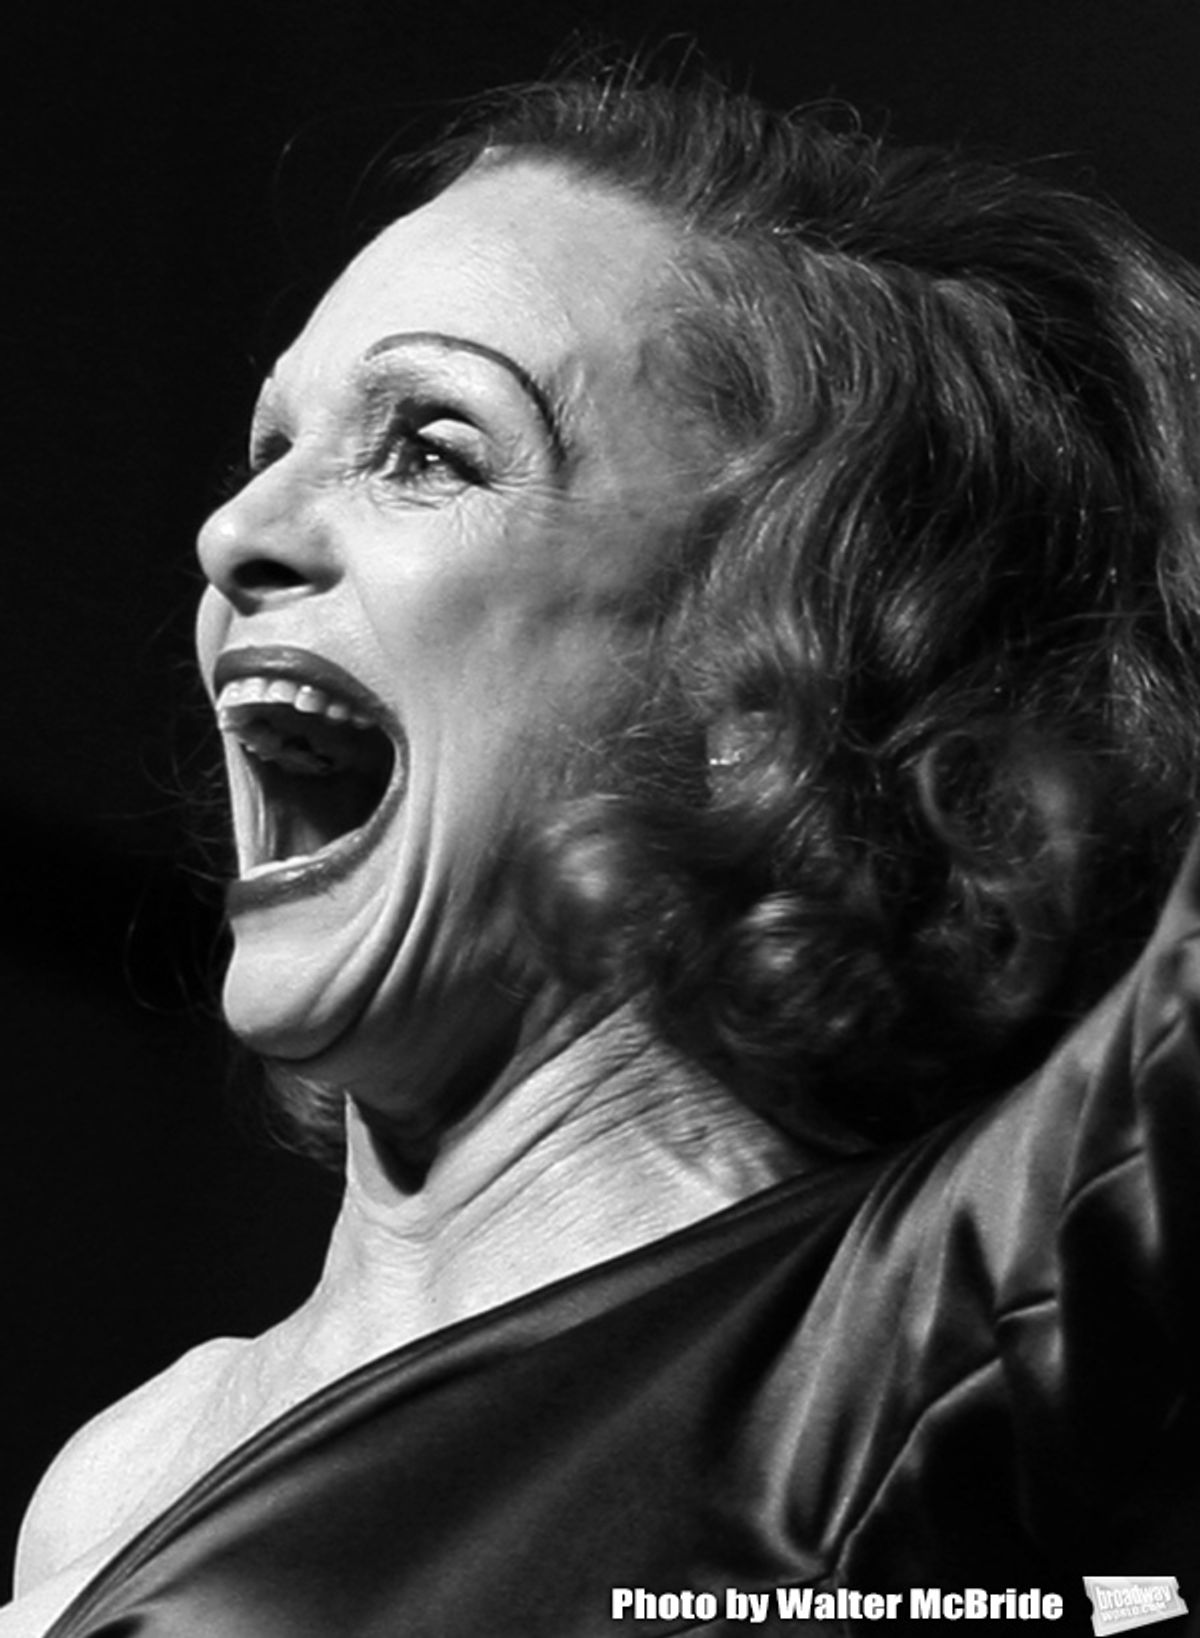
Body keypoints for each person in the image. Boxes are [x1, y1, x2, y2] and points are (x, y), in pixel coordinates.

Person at [5, 71, 1200, 1637]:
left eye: (430, 446)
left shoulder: (927, 1358)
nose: (235, 531)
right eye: (270, 439)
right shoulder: (123, 1470)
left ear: (766, 684)